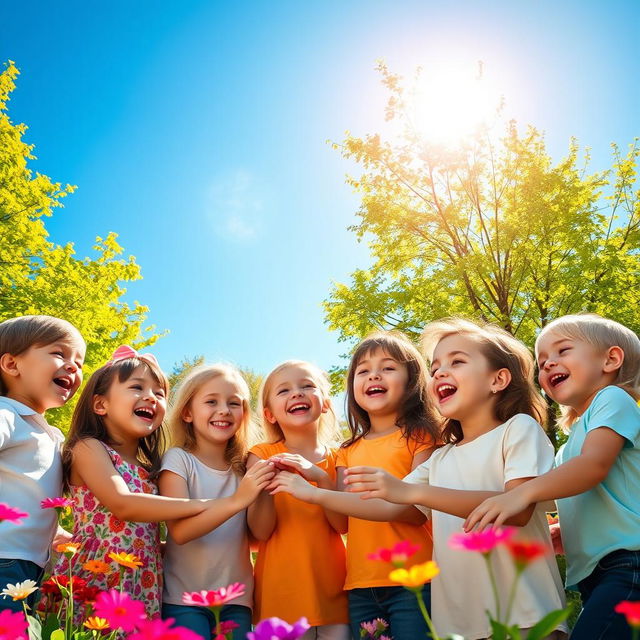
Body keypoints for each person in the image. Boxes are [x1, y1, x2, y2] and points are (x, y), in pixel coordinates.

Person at [466, 313, 640, 639]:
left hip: (629, 562)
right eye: (542, 359)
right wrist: (568, 525)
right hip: (597, 572)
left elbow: (593, 467)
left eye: (562, 351)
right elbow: (580, 487)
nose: (547, 364)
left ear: (611, 359)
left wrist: (521, 493)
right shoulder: (570, 442)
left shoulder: (614, 398)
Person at [268, 333, 440, 640]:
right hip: (360, 586)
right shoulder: (347, 451)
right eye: (363, 370)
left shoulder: (422, 437)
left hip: (414, 579)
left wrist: (315, 493)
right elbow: (343, 522)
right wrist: (320, 480)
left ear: (412, 380)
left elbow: (414, 512)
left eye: (388, 367)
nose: (374, 374)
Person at [52, 345, 216, 619]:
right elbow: (123, 504)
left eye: (159, 393)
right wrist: (206, 505)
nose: (151, 398)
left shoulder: (153, 470)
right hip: (95, 582)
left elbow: (148, 537)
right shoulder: (89, 448)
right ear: (101, 404)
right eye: (137, 387)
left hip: (144, 588)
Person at [160, 364, 275, 640]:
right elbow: (181, 531)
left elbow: (261, 535)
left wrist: (265, 486)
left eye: (234, 403)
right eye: (211, 401)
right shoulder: (178, 459)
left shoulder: (245, 468)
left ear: (244, 414)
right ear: (187, 412)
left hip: (237, 600)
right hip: (184, 598)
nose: (224, 410)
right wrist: (239, 499)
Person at [248, 360, 349, 640]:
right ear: (269, 414)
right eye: (284, 391)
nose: (297, 393)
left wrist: (321, 478)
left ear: (326, 403)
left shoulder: (341, 456)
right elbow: (260, 531)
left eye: (307, 386)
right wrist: (269, 480)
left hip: (334, 593)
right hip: (280, 595)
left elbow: (342, 525)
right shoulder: (262, 453)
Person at [0, 315, 85, 612]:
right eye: (59, 353)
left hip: (30, 565)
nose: (74, 366)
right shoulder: (7, 414)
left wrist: (59, 535)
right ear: (12, 365)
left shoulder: (51, 434)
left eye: (80, 362)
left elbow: (33, 498)